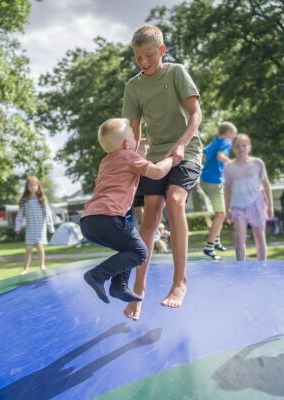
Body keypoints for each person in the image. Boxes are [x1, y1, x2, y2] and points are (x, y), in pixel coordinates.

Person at [121, 24, 203, 320]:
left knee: (175, 201)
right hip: (155, 156)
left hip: (188, 149)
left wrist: (181, 145)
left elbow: (196, 114)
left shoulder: (176, 72)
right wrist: (131, 158)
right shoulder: (134, 87)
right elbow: (133, 129)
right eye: (138, 57)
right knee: (151, 215)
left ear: (162, 50)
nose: (143, 62)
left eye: (149, 55)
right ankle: (138, 289)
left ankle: (179, 282)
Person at [81, 118, 174, 303]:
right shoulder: (129, 156)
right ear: (126, 144)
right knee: (141, 253)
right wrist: (172, 158)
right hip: (108, 217)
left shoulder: (106, 162)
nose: (137, 141)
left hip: (89, 222)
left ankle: (119, 286)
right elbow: (156, 172)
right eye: (134, 137)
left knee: (130, 248)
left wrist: (145, 145)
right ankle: (98, 275)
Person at [223, 134, 274, 261]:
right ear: (233, 149)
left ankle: (262, 265)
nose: (241, 149)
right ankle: (240, 268)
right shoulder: (229, 168)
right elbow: (227, 190)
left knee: (260, 237)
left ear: (249, 147)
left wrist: (270, 206)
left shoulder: (257, 163)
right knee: (239, 238)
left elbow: (266, 184)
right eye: (237, 146)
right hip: (238, 206)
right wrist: (226, 209)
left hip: (256, 203)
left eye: (244, 145)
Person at [201, 122, 237, 260]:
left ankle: (216, 241)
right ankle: (209, 247)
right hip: (214, 182)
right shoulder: (226, 142)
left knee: (219, 212)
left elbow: (203, 154)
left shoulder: (215, 142)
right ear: (229, 133)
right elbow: (221, 156)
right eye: (233, 135)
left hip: (204, 180)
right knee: (221, 214)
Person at [15, 176, 55, 275]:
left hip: (40, 227)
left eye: (34, 185)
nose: (33, 187)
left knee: (39, 246)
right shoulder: (25, 200)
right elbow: (20, 215)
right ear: (27, 187)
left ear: (38, 186)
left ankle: (42, 266)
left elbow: (48, 214)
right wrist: (17, 227)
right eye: (30, 185)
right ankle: (25, 269)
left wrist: (51, 227)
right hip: (30, 228)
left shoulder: (42, 199)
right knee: (28, 248)